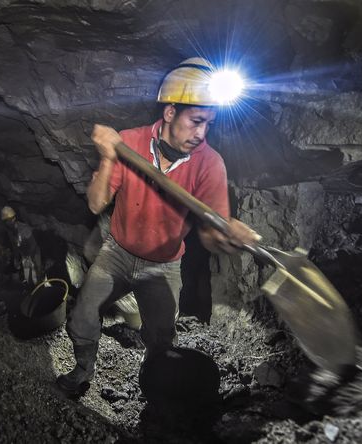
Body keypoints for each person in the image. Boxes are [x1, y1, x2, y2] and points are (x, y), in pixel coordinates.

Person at [56, 57, 260, 394]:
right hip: (116, 253)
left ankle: (156, 396)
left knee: (161, 339)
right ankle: (81, 373)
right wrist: (108, 157)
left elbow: (209, 235)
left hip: (164, 266)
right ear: (169, 113)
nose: (201, 133)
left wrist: (227, 235)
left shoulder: (210, 164)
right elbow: (95, 203)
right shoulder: (130, 143)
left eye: (208, 124)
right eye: (195, 121)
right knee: (83, 317)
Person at [1, 206, 44, 286]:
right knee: (28, 277)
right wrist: (16, 259)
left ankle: (40, 290)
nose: (6, 223)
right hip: (25, 254)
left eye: (7, 221)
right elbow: (15, 246)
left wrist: (29, 257)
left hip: (34, 253)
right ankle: (31, 291)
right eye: (5, 221)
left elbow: (33, 245)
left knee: (37, 276)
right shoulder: (10, 232)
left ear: (13, 219)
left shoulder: (24, 228)